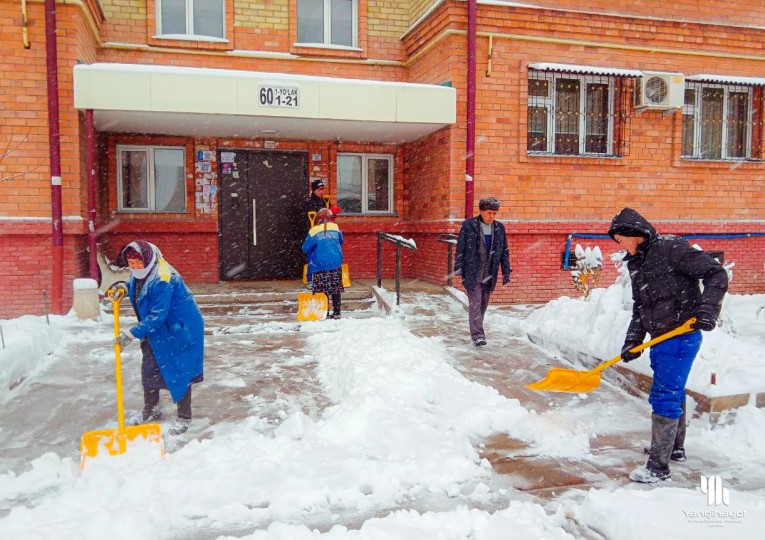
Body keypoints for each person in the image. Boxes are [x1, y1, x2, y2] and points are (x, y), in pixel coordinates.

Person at [608, 208, 728, 483]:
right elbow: (641, 306)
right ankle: (674, 448)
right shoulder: (637, 262)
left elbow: (716, 274)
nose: (620, 245)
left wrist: (707, 311)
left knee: (664, 395)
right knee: (672, 391)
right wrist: (632, 341)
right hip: (660, 339)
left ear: (635, 234)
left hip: (681, 335)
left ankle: (658, 467)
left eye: (621, 239)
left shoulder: (671, 248)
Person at [114, 240, 205, 436]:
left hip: (178, 328)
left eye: (138, 263)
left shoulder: (164, 278)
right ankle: (151, 409)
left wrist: (130, 334)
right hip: (156, 328)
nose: (135, 268)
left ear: (148, 259)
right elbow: (138, 285)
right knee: (149, 369)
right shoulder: (145, 270)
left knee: (180, 372)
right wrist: (123, 286)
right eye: (131, 264)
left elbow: (157, 315)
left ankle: (184, 417)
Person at [454, 197, 512, 346]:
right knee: (475, 303)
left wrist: (506, 271)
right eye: (489, 212)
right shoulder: (469, 226)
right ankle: (478, 335)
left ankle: (477, 328)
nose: (491, 216)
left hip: (490, 273)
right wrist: (459, 267)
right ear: (481, 211)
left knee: (483, 305)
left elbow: (504, 251)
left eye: (494, 213)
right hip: (472, 272)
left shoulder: (499, 228)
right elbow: (461, 247)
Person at [302, 208, 344, 319]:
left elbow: (305, 248)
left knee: (322, 289)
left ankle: (324, 312)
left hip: (320, 264)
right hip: (335, 262)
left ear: (317, 218)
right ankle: (337, 312)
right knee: (335, 289)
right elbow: (341, 240)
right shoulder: (335, 227)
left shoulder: (314, 231)